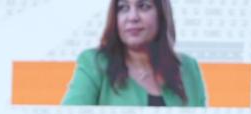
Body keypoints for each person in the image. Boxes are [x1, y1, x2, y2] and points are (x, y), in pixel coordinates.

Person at [62, 0, 206, 107]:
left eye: (143, 6)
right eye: (123, 8)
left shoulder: (188, 69)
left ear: (161, 14)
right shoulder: (94, 64)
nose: (132, 17)